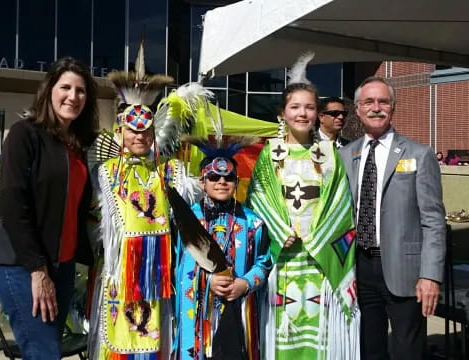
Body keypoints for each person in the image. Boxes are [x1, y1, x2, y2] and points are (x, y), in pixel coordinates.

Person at [88, 49, 208, 359]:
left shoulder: (169, 170)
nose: (139, 136)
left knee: (153, 336)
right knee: (118, 337)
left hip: (157, 272)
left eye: (145, 130)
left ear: (153, 132)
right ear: (120, 132)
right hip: (119, 271)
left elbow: (196, 199)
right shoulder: (106, 172)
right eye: (132, 130)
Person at [246, 54, 360, 359]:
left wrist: (317, 237)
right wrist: (280, 228)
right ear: (282, 113)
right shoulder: (270, 154)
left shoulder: (328, 154)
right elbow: (257, 199)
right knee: (283, 334)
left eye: (310, 107)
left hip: (318, 258)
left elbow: (341, 203)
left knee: (319, 336)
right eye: (295, 107)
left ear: (317, 114)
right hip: (282, 257)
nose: (302, 113)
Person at [0, 57, 98, 359]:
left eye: (81, 91)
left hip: (62, 267)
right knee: (44, 353)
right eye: (65, 87)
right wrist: (37, 270)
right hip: (24, 266)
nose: (73, 96)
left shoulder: (76, 146)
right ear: (49, 90)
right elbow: (13, 205)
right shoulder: (25, 134)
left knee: (47, 349)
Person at [339, 76, 446, 359]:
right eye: (368, 102)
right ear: (358, 110)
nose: (376, 108)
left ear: (393, 107)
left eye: (383, 101)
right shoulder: (345, 155)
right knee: (367, 348)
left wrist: (430, 275)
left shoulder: (419, 155)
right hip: (359, 268)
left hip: (407, 272)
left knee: (407, 350)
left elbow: (433, 220)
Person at [173, 139, 272, 360]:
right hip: (197, 316)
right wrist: (206, 281)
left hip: (238, 311)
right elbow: (176, 266)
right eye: (214, 177)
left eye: (228, 178)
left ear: (236, 182)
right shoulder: (187, 220)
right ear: (202, 182)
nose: (221, 182)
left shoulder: (253, 222)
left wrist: (245, 283)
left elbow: (265, 262)